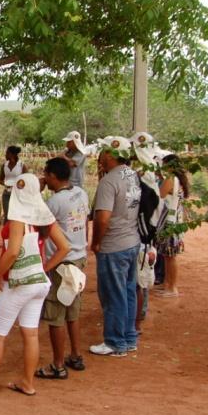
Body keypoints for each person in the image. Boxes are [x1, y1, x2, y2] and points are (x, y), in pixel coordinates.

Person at [0, 173, 71, 399]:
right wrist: (43, 268)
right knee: (31, 334)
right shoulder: (44, 217)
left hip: (17, 284)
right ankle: (28, 382)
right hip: (38, 283)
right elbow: (64, 247)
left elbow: (14, 251)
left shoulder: (18, 219)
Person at [36, 158, 91, 379]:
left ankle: (58, 365)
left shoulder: (54, 202)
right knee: (72, 311)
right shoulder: (81, 193)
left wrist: (36, 193)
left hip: (61, 263)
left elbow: (41, 230)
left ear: (53, 176)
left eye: (46, 174)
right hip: (78, 258)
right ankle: (75, 355)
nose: (44, 178)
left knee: (55, 314)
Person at [88, 137, 142, 357]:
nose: (99, 157)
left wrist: (97, 242)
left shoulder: (109, 181)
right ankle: (129, 337)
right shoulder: (132, 175)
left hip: (114, 245)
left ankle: (115, 342)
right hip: (132, 240)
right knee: (128, 291)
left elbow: (102, 218)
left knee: (113, 294)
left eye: (102, 153)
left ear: (110, 155)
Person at [154, 153, 189, 298]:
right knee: (168, 255)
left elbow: (160, 194)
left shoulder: (170, 179)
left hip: (169, 221)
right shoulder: (178, 180)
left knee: (170, 256)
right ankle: (168, 284)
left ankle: (172, 287)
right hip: (175, 219)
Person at [0, 146, 27, 221]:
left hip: (18, 194)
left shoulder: (21, 165)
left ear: (13, 154)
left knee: (17, 216)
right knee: (7, 216)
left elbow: (27, 180)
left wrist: (18, 185)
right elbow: (0, 180)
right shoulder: (4, 165)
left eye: (7, 153)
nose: (5, 155)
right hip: (7, 193)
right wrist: (5, 184)